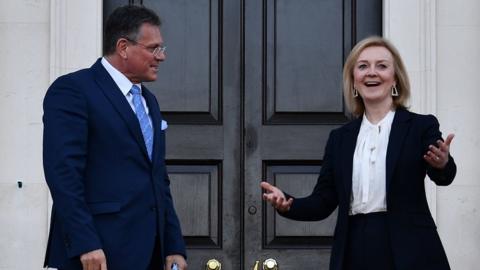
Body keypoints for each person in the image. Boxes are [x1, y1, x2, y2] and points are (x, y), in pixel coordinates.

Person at [261, 36, 456, 270]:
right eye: (363, 66)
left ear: (396, 79)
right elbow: (323, 201)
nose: (371, 73)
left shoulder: (420, 126)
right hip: (354, 248)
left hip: (411, 249)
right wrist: (288, 204)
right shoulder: (340, 139)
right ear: (353, 81)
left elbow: (444, 176)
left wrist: (441, 164)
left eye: (382, 66)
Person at [43, 5, 187, 270]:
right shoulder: (73, 90)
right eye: (154, 48)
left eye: (161, 48)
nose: (161, 57)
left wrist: (174, 244)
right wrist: (84, 241)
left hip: (150, 254)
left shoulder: (149, 102)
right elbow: (63, 172)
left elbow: (158, 179)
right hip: (98, 253)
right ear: (123, 47)